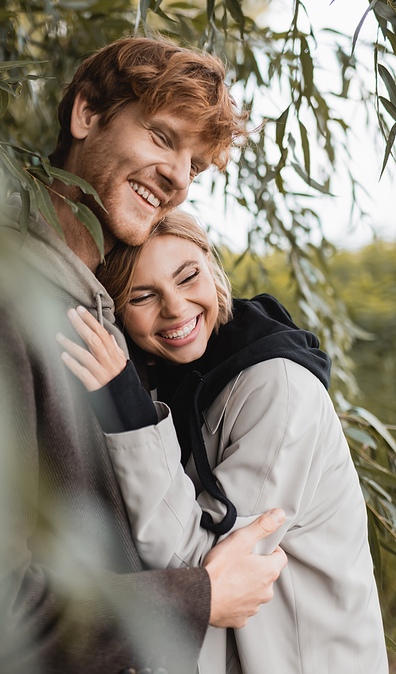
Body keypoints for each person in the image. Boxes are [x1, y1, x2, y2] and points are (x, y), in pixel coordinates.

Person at [0, 37, 288, 674]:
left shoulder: (96, 312)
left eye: (193, 162)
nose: (179, 178)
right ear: (85, 115)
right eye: (163, 137)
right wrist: (201, 596)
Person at [59, 209, 388, 674]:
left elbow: (201, 571)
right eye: (143, 295)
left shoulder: (278, 389)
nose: (175, 308)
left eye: (188, 276)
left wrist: (128, 415)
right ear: (116, 315)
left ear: (211, 266)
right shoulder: (177, 377)